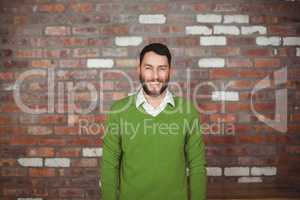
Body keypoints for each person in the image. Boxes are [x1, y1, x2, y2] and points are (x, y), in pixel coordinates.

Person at [101, 43, 207, 200]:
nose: (155, 76)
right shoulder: (119, 111)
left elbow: (197, 165)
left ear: (170, 71)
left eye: (162, 68)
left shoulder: (188, 111)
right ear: (139, 69)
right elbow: (109, 165)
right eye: (148, 68)